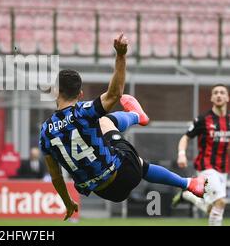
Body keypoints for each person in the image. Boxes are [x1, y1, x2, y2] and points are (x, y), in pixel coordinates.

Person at [40, 33, 207, 221]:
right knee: (104, 122)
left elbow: (56, 177)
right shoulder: (83, 111)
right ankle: (137, 115)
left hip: (105, 192)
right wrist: (120, 56)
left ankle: (189, 183)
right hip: (122, 173)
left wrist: (68, 201)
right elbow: (115, 94)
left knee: (140, 163)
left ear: (55, 92)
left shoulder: (45, 132)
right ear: (80, 94)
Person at [172, 84, 229, 226]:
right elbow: (185, 137)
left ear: (227, 97)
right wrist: (181, 154)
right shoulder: (203, 119)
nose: (219, 95)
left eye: (222, 92)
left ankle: (189, 195)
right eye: (215, 92)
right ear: (211, 97)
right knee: (221, 202)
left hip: (224, 170)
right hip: (206, 167)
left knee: (214, 209)